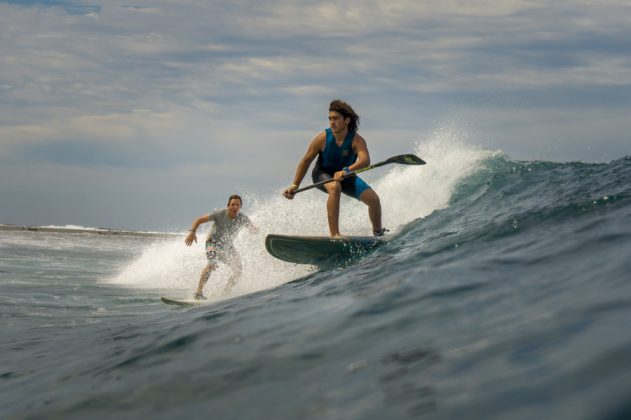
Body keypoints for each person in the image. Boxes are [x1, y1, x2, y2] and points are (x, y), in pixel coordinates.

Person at [283, 99, 387, 237]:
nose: (332, 122)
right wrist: (295, 185)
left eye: (336, 118)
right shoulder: (323, 138)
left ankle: (378, 233)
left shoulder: (356, 140)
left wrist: (347, 170)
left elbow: (365, 160)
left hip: (346, 175)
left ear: (347, 120)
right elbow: (306, 161)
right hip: (322, 174)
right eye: (330, 118)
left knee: (373, 200)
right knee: (335, 187)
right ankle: (335, 234)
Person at [185, 194, 255, 300]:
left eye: (237, 205)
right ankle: (198, 293)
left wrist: (257, 231)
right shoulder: (219, 214)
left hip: (227, 246)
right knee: (211, 264)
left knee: (238, 271)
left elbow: (253, 229)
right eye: (232, 204)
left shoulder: (242, 218)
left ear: (240, 206)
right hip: (212, 243)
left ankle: (226, 291)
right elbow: (199, 220)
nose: (235, 207)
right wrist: (192, 232)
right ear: (228, 205)